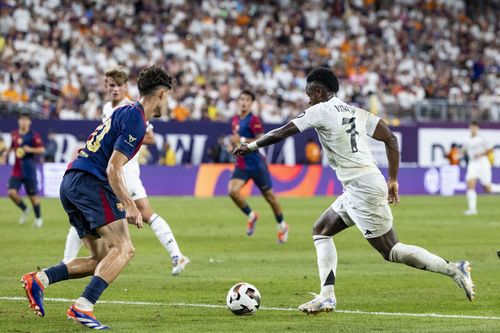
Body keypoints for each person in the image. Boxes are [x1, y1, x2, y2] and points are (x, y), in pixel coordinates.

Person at [233, 67, 475, 314]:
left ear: (318, 91)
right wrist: (393, 179)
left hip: (362, 187)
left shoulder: (320, 110)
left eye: (309, 94)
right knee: (321, 230)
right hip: (362, 184)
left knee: (391, 250)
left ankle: (454, 268)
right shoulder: (355, 112)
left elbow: (282, 132)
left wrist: (250, 146)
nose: (308, 99)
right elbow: (391, 139)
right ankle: (327, 296)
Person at [21, 65, 174, 330]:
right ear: (161, 93)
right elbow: (113, 168)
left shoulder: (123, 111)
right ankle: (83, 306)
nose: (169, 102)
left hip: (71, 182)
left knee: (99, 260)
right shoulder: (136, 119)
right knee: (125, 248)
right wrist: (130, 205)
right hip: (90, 183)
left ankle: (40, 279)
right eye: (169, 96)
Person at [62, 66, 189, 275]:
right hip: (108, 170)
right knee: (92, 212)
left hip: (122, 171)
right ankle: (176, 255)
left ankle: (176, 255)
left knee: (141, 215)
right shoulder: (107, 108)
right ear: (105, 86)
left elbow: (148, 137)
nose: (115, 89)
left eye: (119, 85)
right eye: (111, 85)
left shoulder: (133, 108)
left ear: (126, 87)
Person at [228, 90, 289, 243]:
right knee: (232, 191)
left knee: (270, 198)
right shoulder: (235, 119)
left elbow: (261, 138)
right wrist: (233, 145)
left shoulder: (253, 120)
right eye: (241, 99)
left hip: (256, 164)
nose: (244, 102)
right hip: (242, 164)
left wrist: (241, 139)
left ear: (251, 103)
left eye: (247, 100)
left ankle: (282, 225)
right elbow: (237, 141)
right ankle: (251, 215)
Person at [7, 113, 45, 227]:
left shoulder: (33, 135)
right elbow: (13, 147)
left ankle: (38, 219)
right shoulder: (14, 134)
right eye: (21, 119)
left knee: (32, 196)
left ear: (29, 122)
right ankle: (24, 209)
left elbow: (42, 149)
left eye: (26, 120)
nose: (23, 122)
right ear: (19, 121)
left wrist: (30, 149)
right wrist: (6, 153)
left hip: (29, 169)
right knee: (11, 193)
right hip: (17, 169)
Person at [463, 121, 500, 215]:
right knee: (470, 183)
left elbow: (490, 149)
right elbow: (464, 151)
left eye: (474, 127)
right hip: (473, 163)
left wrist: (480, 154)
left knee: (487, 188)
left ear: (477, 128)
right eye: (471, 127)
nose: (473, 129)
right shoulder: (467, 140)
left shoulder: (482, 138)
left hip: (483, 163)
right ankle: (472, 209)